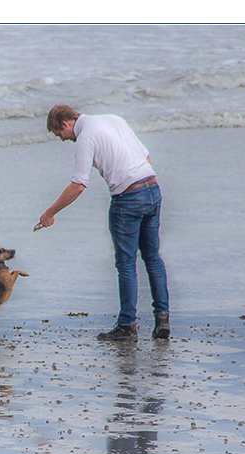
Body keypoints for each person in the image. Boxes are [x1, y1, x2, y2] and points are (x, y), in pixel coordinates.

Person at [37, 104, 170, 341]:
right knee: (152, 257)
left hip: (127, 198)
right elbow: (145, 156)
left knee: (126, 264)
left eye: (59, 134)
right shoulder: (113, 118)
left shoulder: (85, 137)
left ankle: (127, 326)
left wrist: (50, 212)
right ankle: (162, 320)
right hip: (152, 188)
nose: (62, 139)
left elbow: (78, 184)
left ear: (65, 124)